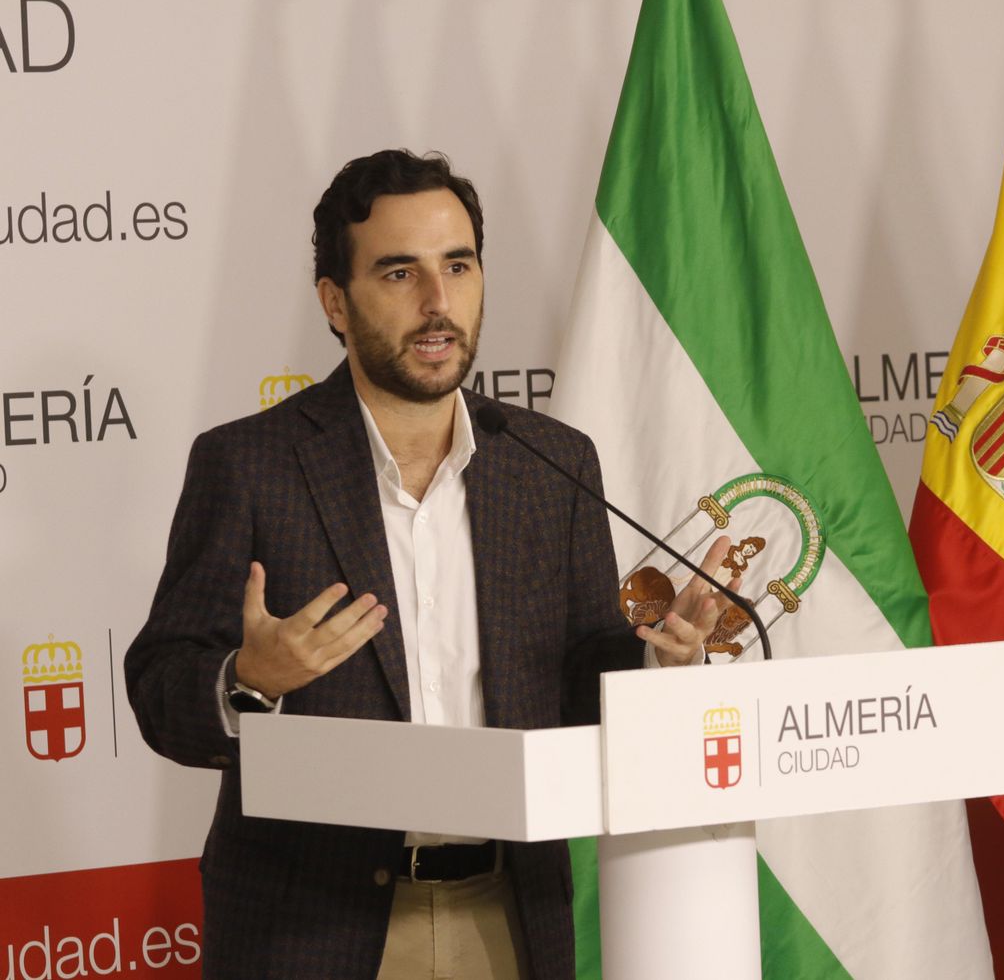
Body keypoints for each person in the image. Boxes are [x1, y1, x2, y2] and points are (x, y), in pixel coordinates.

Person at [124, 149, 724, 979]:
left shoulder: (551, 462)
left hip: (508, 917)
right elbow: (161, 690)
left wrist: (661, 659)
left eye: (459, 266)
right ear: (336, 302)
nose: (438, 303)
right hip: (315, 930)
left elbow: (579, 680)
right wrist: (248, 680)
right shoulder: (251, 465)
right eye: (400, 273)